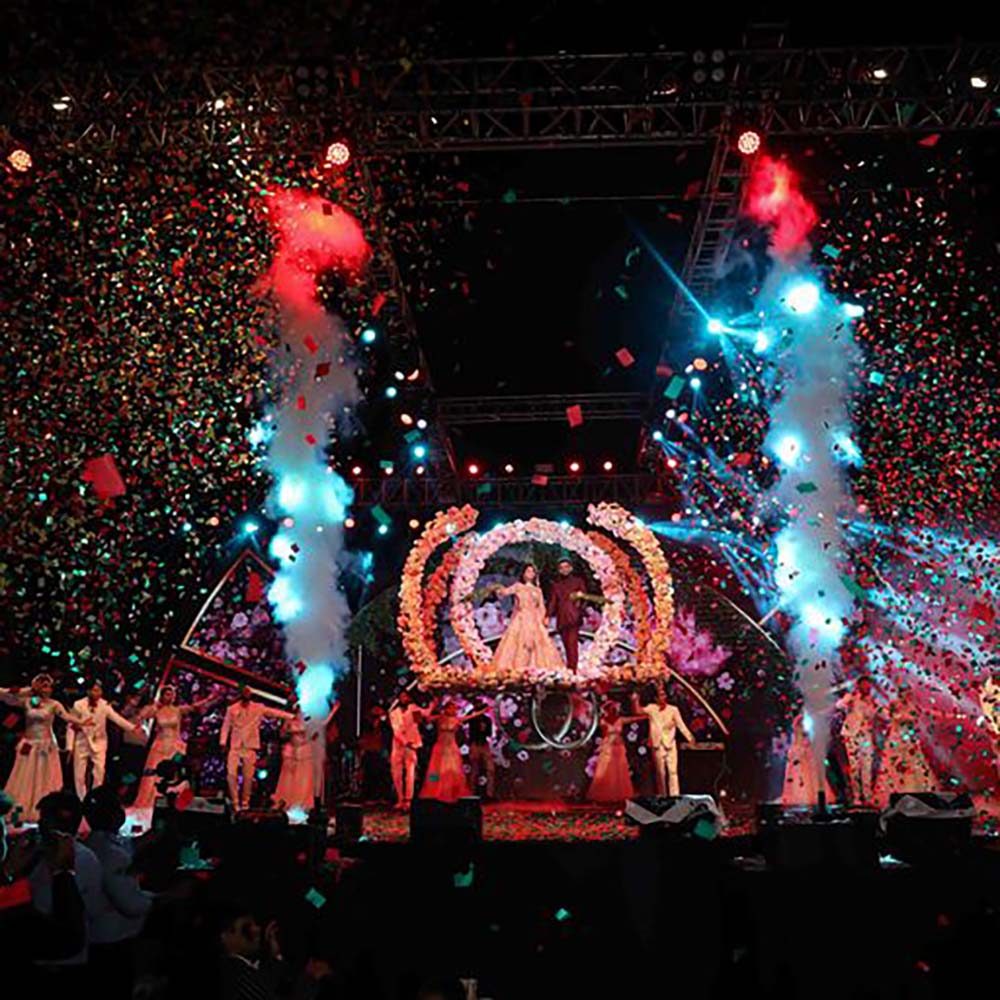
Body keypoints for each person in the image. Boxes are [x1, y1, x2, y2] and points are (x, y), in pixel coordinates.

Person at [0, 790, 86, 981]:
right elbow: (68, 939)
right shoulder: (46, 861)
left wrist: (8, 872)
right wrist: (63, 872)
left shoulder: (84, 859)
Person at [83, 786, 156, 998]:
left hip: (97, 939)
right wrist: (166, 898)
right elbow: (132, 905)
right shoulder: (110, 854)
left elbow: (127, 846)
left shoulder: (95, 843)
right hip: (113, 942)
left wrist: (151, 837)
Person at [29, 789, 111, 968]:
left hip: (65, 957)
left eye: (44, 819)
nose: (39, 824)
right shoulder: (39, 854)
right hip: (39, 949)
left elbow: (91, 908)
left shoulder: (83, 860)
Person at [1, 673, 88, 823]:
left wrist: (82, 722)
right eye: (44, 686)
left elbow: (66, 717)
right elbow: (4, 696)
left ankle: (46, 811)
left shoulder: (54, 704)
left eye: (49, 686)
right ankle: (19, 811)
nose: (48, 689)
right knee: (25, 778)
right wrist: (27, 690)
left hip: (45, 746)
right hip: (29, 745)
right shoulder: (27, 702)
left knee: (44, 777)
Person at [133, 684, 215, 810]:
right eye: (167, 694)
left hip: (174, 745)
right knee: (154, 774)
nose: (170, 697)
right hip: (160, 744)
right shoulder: (156, 710)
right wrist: (153, 706)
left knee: (174, 774)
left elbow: (194, 707)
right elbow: (140, 715)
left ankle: (173, 802)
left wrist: (209, 699)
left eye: (172, 695)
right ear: (162, 695)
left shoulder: (178, 710)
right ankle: (150, 801)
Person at [219, 687, 295, 812]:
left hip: (250, 746)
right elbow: (226, 726)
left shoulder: (258, 707)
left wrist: (293, 717)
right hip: (235, 746)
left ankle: (245, 803)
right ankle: (235, 803)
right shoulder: (232, 709)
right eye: (244, 692)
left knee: (248, 776)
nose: (246, 694)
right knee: (231, 774)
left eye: (248, 692)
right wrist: (223, 742)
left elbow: (274, 713)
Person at [490, 564, 564, 675]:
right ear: (523, 573)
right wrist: (497, 588)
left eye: (532, 572)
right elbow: (505, 592)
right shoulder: (518, 586)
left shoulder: (537, 590)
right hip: (521, 618)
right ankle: (518, 669)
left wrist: (544, 619)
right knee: (518, 643)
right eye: (528, 571)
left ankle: (535, 670)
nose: (530, 574)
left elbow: (541, 607)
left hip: (534, 619)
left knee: (537, 645)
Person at [68, 680, 137, 800]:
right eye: (94, 690)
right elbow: (71, 725)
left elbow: (117, 718)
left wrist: (132, 728)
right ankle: (81, 799)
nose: (96, 693)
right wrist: (69, 746)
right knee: (79, 774)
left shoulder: (105, 705)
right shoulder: (78, 705)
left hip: (99, 742)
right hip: (82, 742)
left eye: (99, 690)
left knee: (99, 772)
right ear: (88, 691)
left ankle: (95, 798)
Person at [873, 687, 938, 806]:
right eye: (904, 693)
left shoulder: (912, 705)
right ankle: (895, 792)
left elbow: (915, 717)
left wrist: (907, 718)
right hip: (896, 738)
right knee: (894, 763)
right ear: (900, 693)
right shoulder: (894, 704)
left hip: (908, 738)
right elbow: (890, 717)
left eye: (908, 693)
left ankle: (915, 790)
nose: (907, 695)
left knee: (913, 762)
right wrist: (899, 717)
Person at [419, 702, 488, 803]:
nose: (453, 710)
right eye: (451, 708)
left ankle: (452, 791)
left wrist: (482, 711)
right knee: (434, 771)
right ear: (446, 709)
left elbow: (471, 716)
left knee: (453, 771)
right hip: (440, 749)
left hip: (452, 749)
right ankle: (432, 788)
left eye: (454, 709)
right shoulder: (439, 718)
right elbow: (426, 719)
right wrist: (432, 706)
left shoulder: (456, 719)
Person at [633, 684, 695, 797]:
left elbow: (681, 725)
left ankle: (674, 795)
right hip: (657, 744)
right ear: (656, 698)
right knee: (660, 773)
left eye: (664, 694)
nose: (663, 697)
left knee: (673, 771)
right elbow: (638, 711)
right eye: (661, 695)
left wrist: (689, 737)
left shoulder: (673, 710)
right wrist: (635, 699)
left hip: (670, 743)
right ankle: (663, 795)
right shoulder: (652, 708)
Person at [587, 701, 644, 804]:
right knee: (607, 771)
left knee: (619, 771)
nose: (614, 710)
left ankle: (619, 795)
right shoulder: (603, 721)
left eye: (615, 708)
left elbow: (632, 719)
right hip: (608, 747)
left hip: (619, 748)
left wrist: (646, 716)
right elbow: (592, 721)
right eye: (612, 708)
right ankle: (605, 795)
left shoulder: (620, 720)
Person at [836, 676, 880, 805]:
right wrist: (848, 700)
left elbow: (879, 714)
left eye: (869, 685)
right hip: (852, 735)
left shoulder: (872, 701)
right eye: (864, 685)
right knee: (854, 767)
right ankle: (856, 796)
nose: (867, 687)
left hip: (866, 736)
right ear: (859, 686)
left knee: (867, 766)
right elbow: (839, 705)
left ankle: (868, 796)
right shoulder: (851, 697)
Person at [388, 691, 434, 810]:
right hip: (398, 745)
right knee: (396, 773)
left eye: (406, 696)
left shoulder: (413, 708)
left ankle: (408, 799)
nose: (404, 698)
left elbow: (425, 714)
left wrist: (433, 703)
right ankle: (400, 798)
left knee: (410, 772)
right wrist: (405, 742)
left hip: (412, 744)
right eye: (402, 697)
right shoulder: (394, 712)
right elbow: (396, 730)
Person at [781, 712, 836, 807]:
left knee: (812, 775)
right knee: (801, 776)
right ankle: (803, 797)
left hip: (809, 754)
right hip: (800, 754)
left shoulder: (809, 725)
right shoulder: (798, 724)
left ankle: (813, 796)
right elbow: (798, 741)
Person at [546, 557, 589, 672]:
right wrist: (547, 616)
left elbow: (584, 598)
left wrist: (579, 608)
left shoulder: (578, 581)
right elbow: (553, 602)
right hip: (562, 618)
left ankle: (572, 671)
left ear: (571, 568)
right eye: (561, 568)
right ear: (559, 570)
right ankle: (570, 670)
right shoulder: (556, 585)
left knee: (572, 645)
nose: (564, 570)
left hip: (574, 617)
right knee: (566, 645)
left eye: (566, 567)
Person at [272, 702, 315, 814]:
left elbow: (314, 735)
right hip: (291, 750)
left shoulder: (308, 720)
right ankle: (285, 801)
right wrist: (287, 731)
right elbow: (282, 734)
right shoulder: (289, 720)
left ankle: (302, 802)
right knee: (288, 778)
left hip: (303, 751)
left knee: (303, 778)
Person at [303, 696, 340, 808]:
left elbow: (325, 723)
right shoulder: (309, 721)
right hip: (311, 752)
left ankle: (317, 800)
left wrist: (334, 709)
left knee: (318, 775)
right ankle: (314, 799)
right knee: (313, 776)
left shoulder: (317, 722)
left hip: (318, 751)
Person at [466, 705, 495, 800]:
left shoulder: (487, 720)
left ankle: (489, 793)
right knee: (474, 769)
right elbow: (465, 721)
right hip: (475, 744)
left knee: (490, 769)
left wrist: (483, 728)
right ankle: (471, 792)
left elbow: (489, 733)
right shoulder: (472, 719)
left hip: (484, 744)